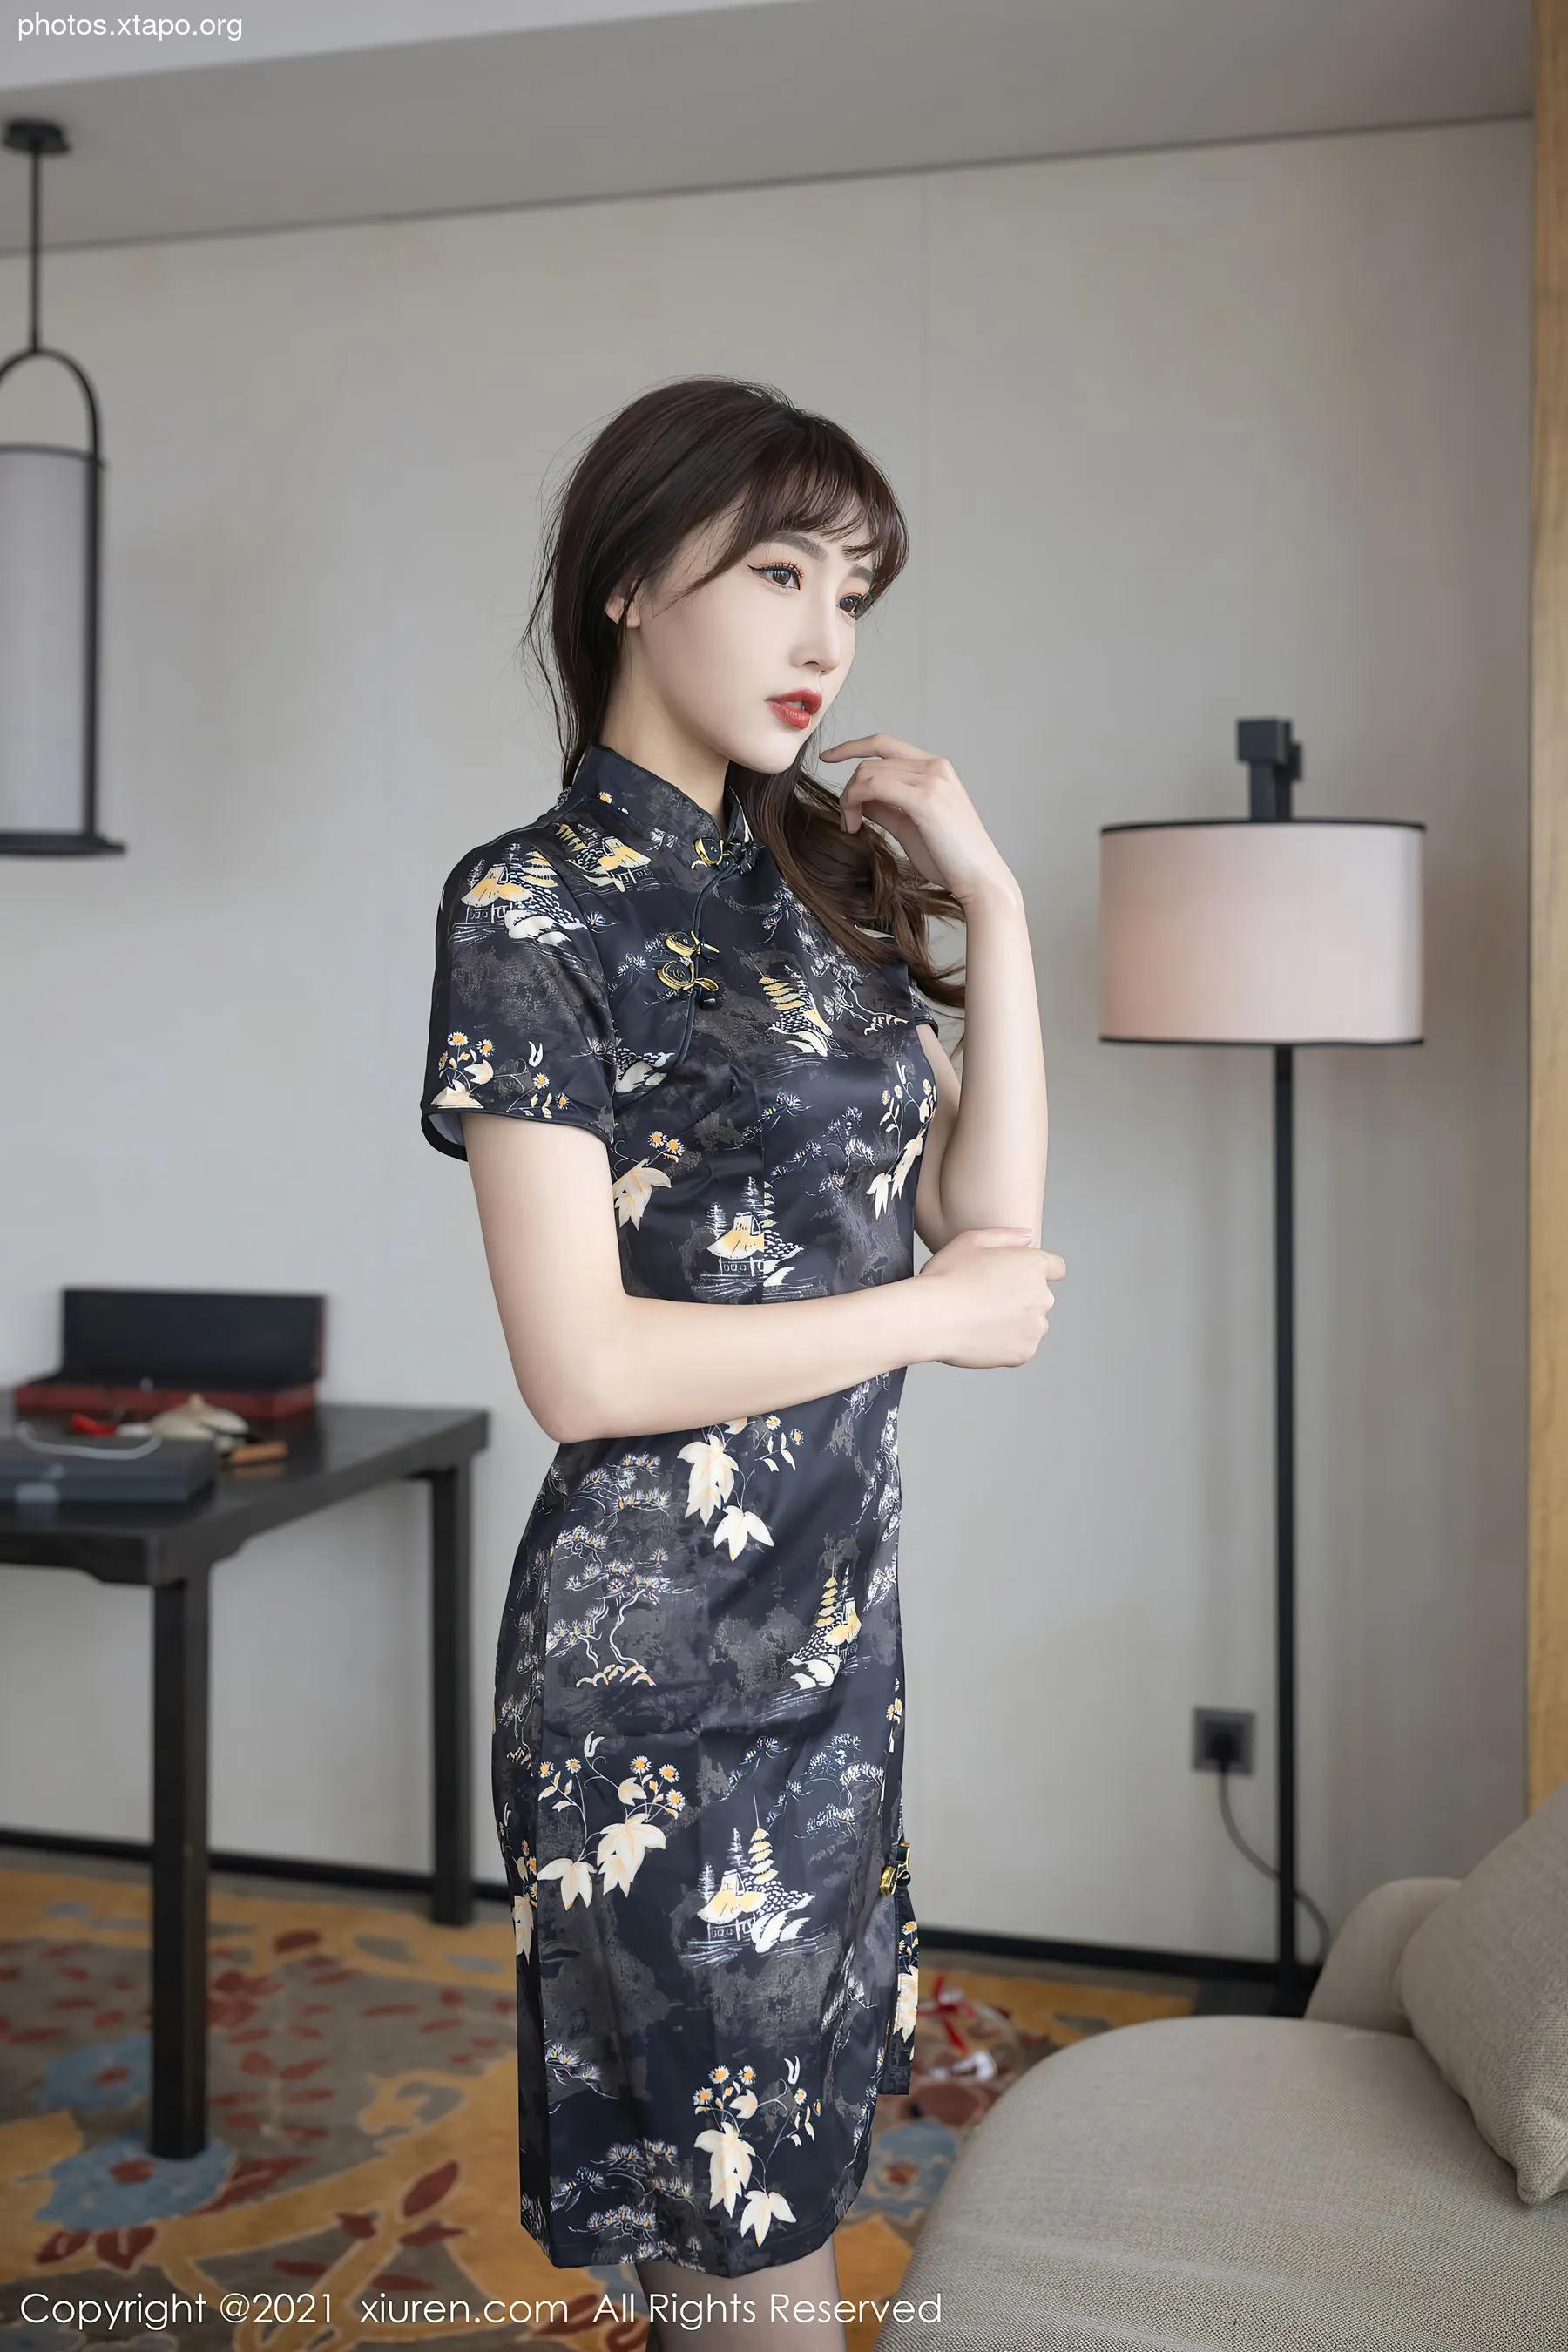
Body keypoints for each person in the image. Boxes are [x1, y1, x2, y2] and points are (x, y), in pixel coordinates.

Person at [418, 374, 1058, 2349]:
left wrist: (998, 899)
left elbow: (991, 1223)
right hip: (659, 1676)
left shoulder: (823, 891)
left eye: (851, 589)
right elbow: (583, 1367)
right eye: (779, 569)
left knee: (787, 2185)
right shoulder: (528, 905)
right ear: (629, 579)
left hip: (834, 1640)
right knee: (745, 2249)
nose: (824, 636)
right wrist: (936, 1318)